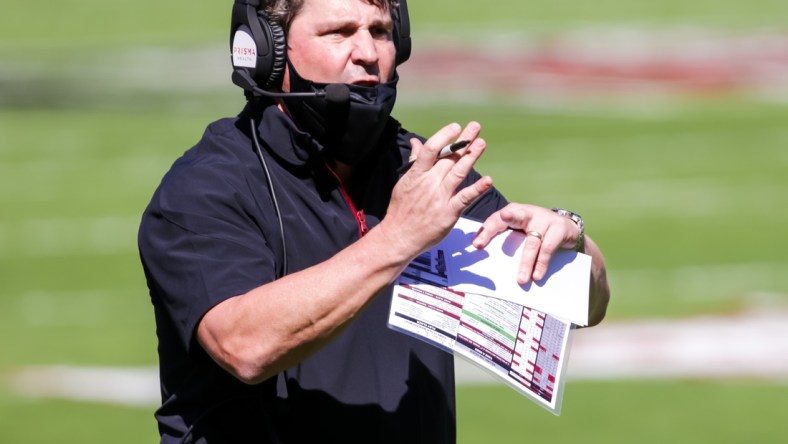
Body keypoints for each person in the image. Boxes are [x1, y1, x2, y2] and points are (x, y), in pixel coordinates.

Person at [138, 0, 610, 442]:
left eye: (381, 32)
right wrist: (397, 238)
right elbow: (245, 346)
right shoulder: (205, 188)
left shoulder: (426, 170)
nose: (367, 53)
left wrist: (572, 242)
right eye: (339, 32)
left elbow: (584, 308)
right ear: (268, 51)